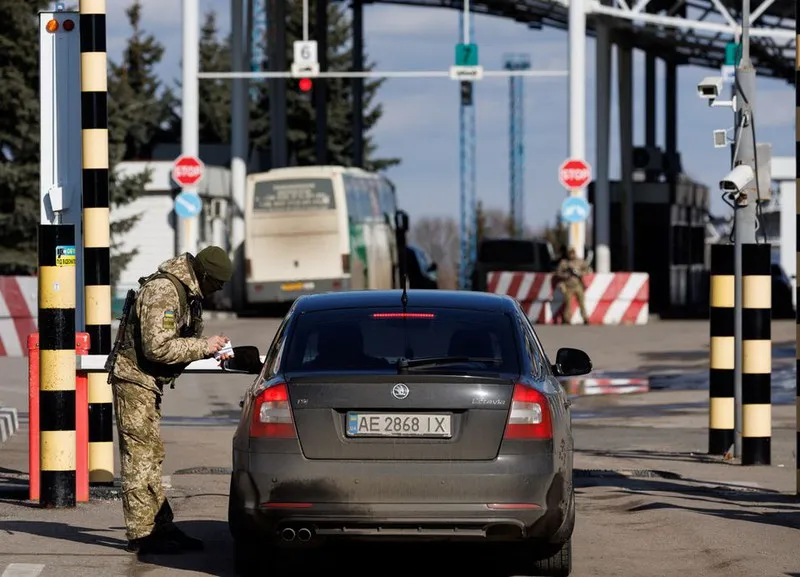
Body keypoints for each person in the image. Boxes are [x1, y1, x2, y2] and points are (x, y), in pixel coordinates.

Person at [109, 246, 234, 555]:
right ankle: (142, 533)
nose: (213, 292)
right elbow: (157, 348)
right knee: (139, 457)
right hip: (134, 378)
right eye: (214, 285)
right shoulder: (164, 290)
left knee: (152, 454)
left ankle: (160, 526)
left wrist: (204, 347)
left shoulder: (181, 290)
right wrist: (203, 347)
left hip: (146, 381)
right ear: (203, 275)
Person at [554, 246, 591, 325]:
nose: (571, 255)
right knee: (568, 304)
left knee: (582, 303)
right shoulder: (564, 263)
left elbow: (587, 270)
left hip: (578, 285)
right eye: (570, 254)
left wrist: (579, 273)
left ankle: (585, 318)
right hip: (568, 286)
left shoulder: (580, 261)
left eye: (573, 253)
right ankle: (566, 319)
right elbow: (558, 273)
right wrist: (565, 275)